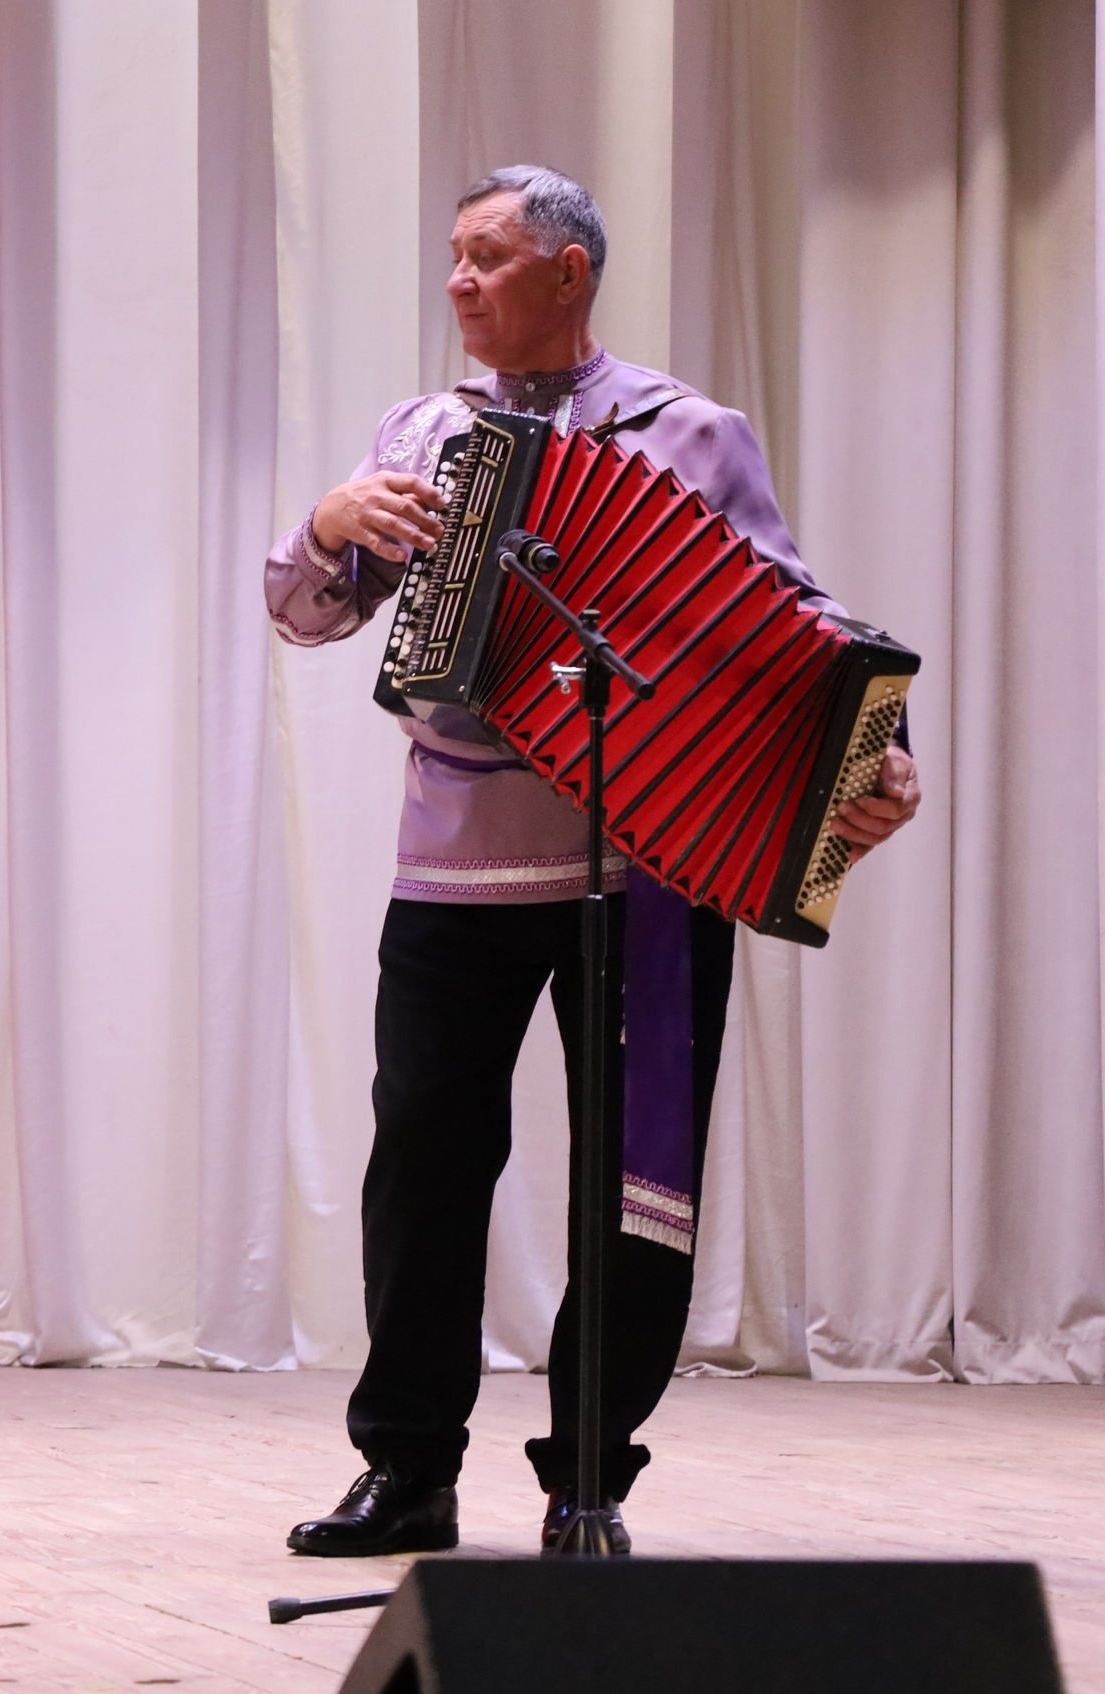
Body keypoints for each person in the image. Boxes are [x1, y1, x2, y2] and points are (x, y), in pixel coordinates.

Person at [270, 166, 922, 1557]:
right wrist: (325, 527)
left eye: (488, 256)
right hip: (452, 864)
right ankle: (407, 1469)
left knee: (637, 1187)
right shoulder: (420, 433)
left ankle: (589, 1478)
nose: (459, 281)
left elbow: (795, 622)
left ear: (569, 272)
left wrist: (878, 751)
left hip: (646, 871)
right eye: (453, 255)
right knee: (423, 1171)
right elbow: (304, 615)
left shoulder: (688, 432)